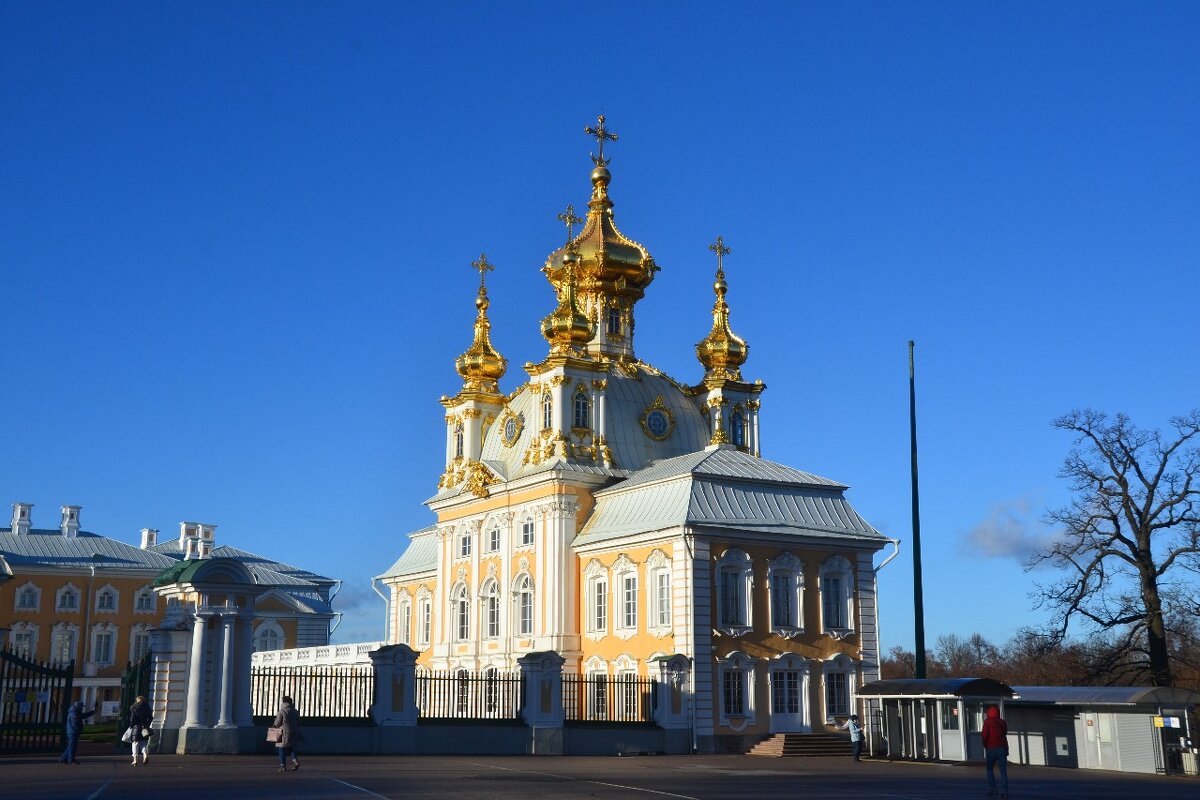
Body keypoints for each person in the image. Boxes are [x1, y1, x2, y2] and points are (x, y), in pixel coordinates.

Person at [981, 705, 1009, 798]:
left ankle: (993, 789)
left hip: (991, 747)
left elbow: (984, 735)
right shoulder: (1002, 722)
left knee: (989, 769)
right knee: (1003, 771)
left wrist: (984, 744)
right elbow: (1005, 735)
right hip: (1002, 748)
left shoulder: (987, 722)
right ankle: (1005, 792)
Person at [59, 700, 98, 764]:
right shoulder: (74, 713)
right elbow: (75, 724)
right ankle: (70, 759)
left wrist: (92, 712)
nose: (82, 708)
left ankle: (64, 758)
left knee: (71, 745)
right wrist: (78, 730)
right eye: (81, 706)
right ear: (78, 706)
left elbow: (84, 716)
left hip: (73, 732)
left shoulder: (76, 712)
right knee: (72, 746)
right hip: (73, 732)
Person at [273, 695, 300, 773]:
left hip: (283, 732)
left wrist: (274, 724)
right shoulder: (295, 711)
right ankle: (295, 761)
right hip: (294, 731)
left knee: (281, 748)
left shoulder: (282, 711)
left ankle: (282, 766)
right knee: (291, 747)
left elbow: (277, 723)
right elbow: (298, 722)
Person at [128, 695, 153, 765]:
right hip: (144, 727)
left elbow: (132, 719)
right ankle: (145, 755)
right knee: (143, 743)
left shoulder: (135, 708)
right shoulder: (147, 708)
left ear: (137, 701)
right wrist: (147, 724)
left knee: (135, 743)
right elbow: (151, 718)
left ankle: (135, 761)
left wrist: (131, 726)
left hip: (136, 728)